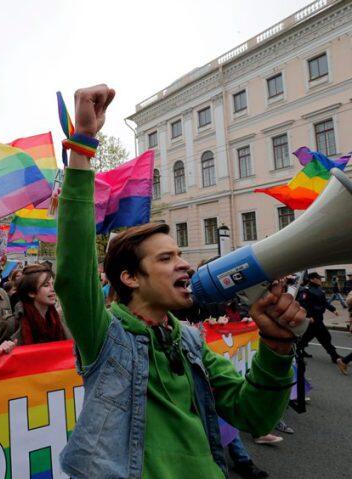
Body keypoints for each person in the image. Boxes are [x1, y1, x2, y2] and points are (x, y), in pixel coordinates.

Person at [54, 84, 304, 479]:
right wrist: (83, 147)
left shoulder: (188, 341)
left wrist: (276, 349)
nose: (185, 266)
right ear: (129, 278)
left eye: (181, 255)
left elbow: (251, 415)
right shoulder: (106, 336)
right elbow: (72, 274)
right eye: (167, 258)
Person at [14, 264, 68, 345]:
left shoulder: (58, 319)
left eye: (53, 284)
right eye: (46, 285)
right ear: (31, 293)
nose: (53, 289)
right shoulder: (14, 324)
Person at [297, 272, 341, 362]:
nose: (321, 280)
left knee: (307, 336)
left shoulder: (319, 289)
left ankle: (298, 350)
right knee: (325, 337)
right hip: (313, 319)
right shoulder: (306, 290)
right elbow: (303, 305)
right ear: (312, 279)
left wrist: (333, 310)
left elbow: (324, 302)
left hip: (318, 317)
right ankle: (335, 356)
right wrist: (309, 316)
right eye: (318, 278)